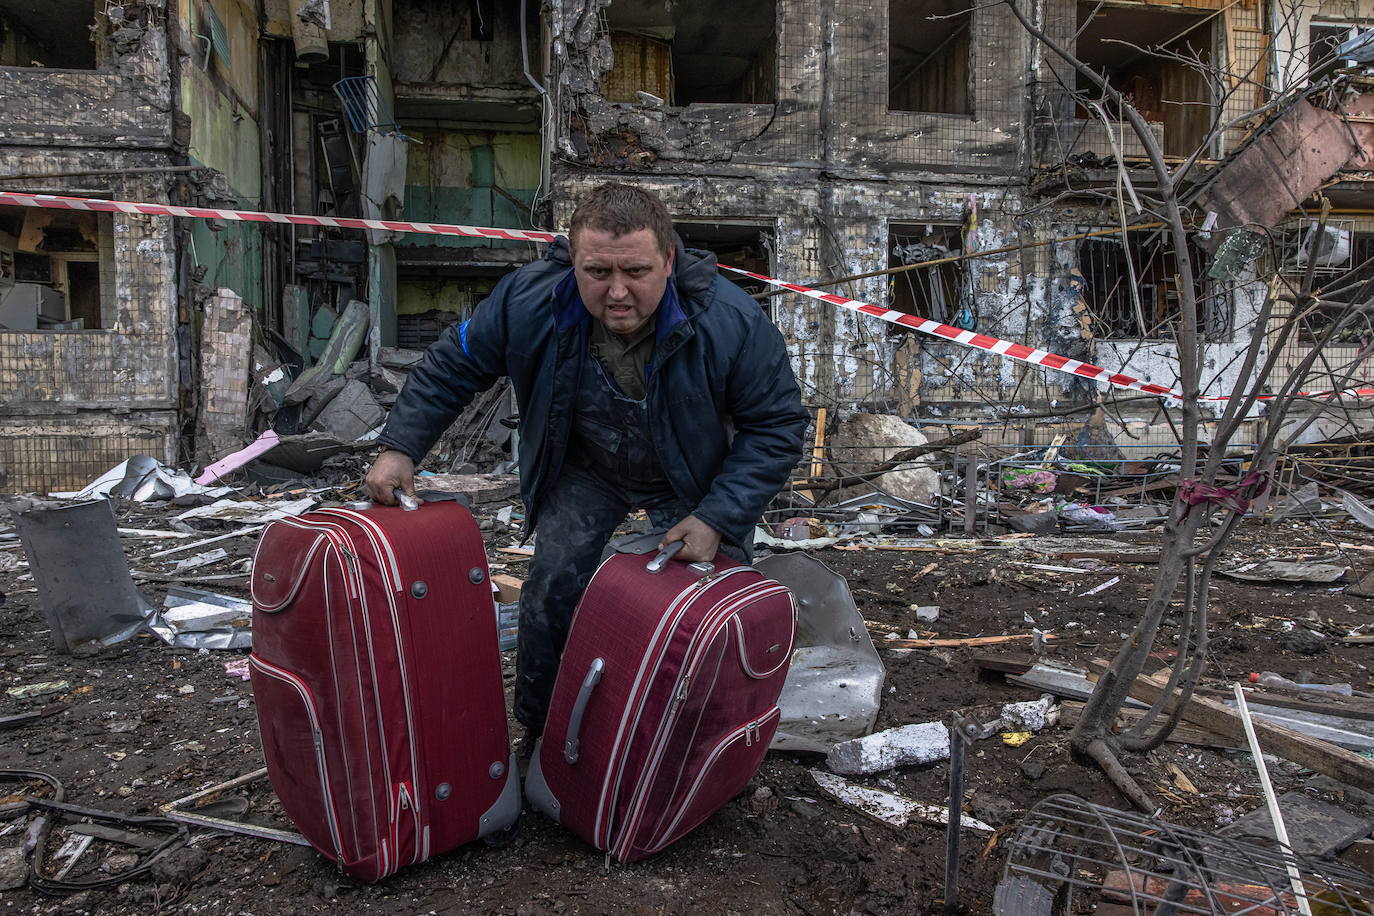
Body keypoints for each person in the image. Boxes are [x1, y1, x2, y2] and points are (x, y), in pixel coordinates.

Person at [366, 182, 808, 745]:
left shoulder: (729, 321)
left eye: (636, 272)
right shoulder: (529, 300)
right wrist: (400, 446)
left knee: (701, 612)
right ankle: (544, 732)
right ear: (572, 261)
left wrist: (718, 517)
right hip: (586, 466)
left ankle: (696, 747)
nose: (617, 292)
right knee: (552, 588)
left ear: (668, 261)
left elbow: (775, 427)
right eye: (598, 272)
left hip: (696, 479)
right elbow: (453, 366)